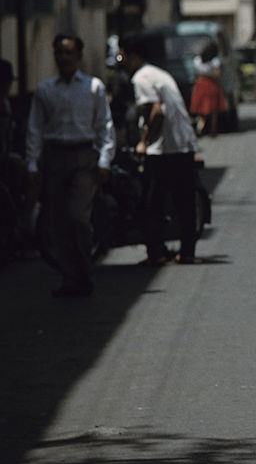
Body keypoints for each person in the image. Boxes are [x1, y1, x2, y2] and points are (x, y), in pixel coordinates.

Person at [25, 35, 115, 297]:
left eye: (69, 53)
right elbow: (35, 128)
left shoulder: (93, 87)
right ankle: (70, 278)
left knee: (78, 218)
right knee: (58, 222)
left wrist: (105, 160)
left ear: (78, 56)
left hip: (83, 157)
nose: (64, 58)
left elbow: (104, 126)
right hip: (55, 157)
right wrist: (32, 163)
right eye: (59, 53)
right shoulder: (45, 90)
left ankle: (84, 271)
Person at [120, 37, 199, 266]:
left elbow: (156, 111)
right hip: (182, 143)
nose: (121, 62)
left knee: (152, 201)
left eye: (121, 56)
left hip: (165, 148)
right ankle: (187, 251)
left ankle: (156, 251)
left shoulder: (142, 78)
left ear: (132, 56)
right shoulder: (158, 73)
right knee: (183, 201)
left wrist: (144, 142)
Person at [190, 41, 229, 137]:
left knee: (202, 110)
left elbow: (195, 75)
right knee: (213, 110)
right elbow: (218, 74)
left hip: (200, 84)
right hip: (211, 85)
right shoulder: (214, 61)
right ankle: (212, 130)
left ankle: (200, 128)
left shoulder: (197, 60)